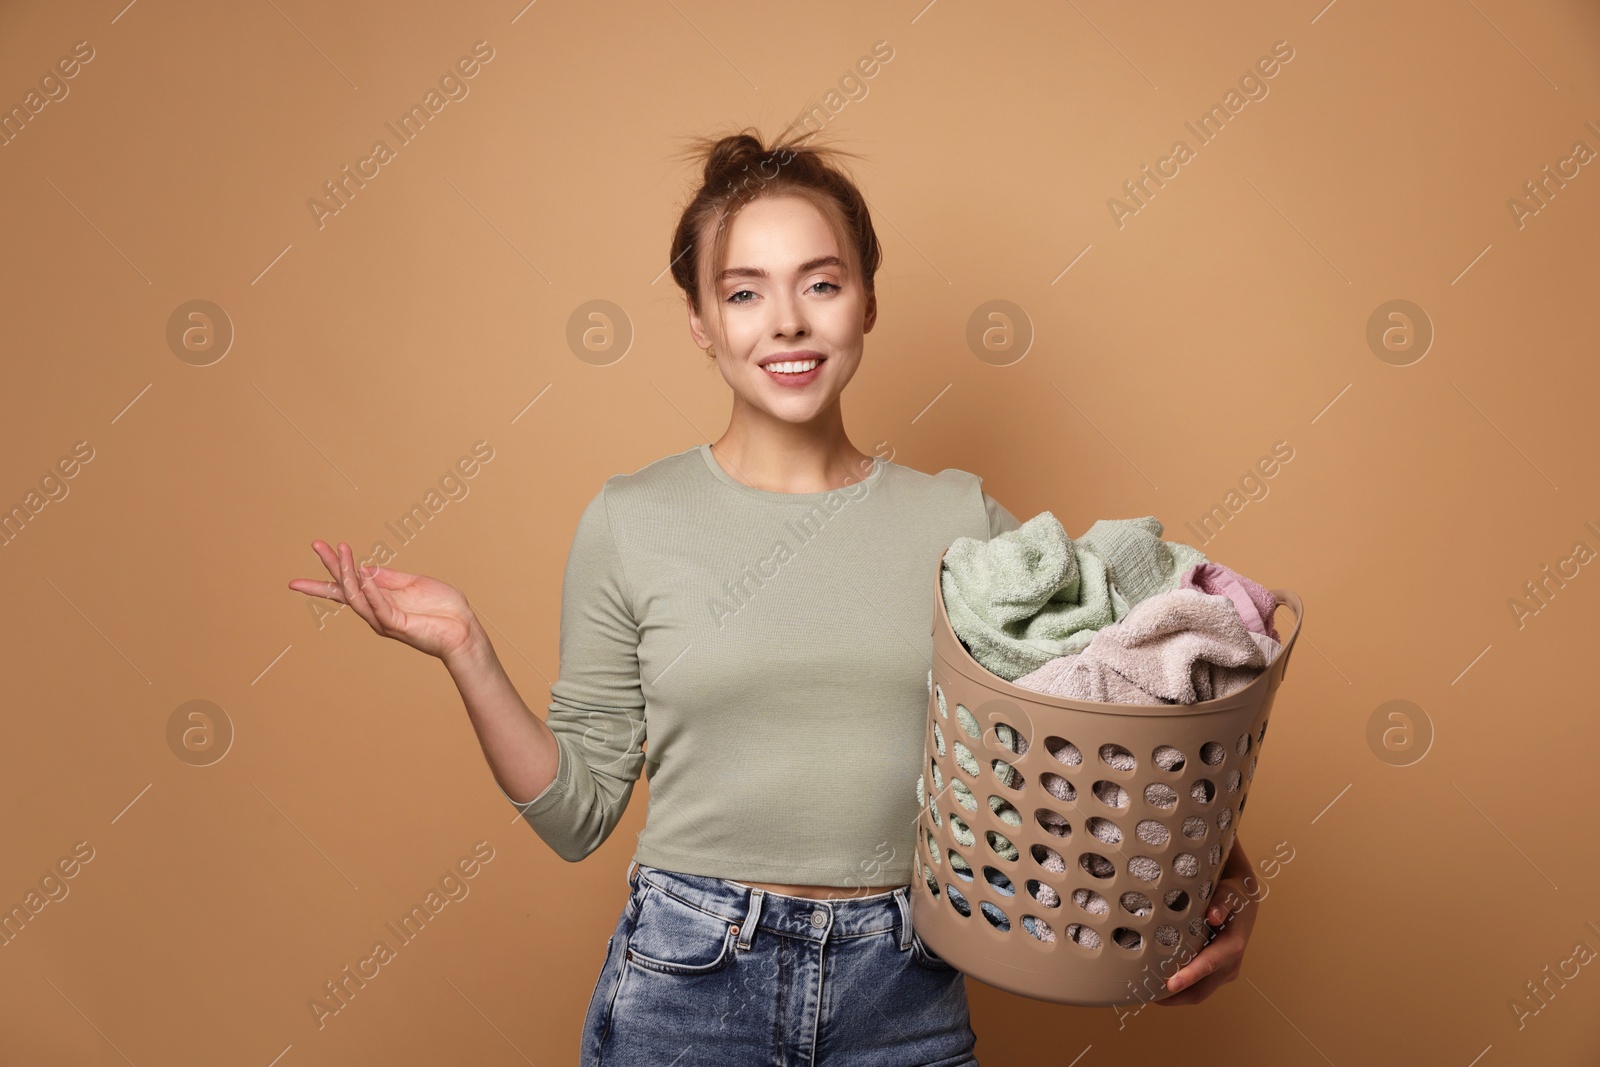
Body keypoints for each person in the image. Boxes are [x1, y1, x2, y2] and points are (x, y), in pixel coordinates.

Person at [288, 127, 1260, 1065]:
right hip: (687, 979)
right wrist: (467, 648)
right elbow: (577, 814)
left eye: (821, 284)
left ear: (868, 301)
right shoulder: (630, 520)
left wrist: (1218, 877)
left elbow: (1100, 729)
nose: (786, 322)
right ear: (700, 321)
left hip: (907, 981)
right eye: (743, 292)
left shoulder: (963, 526)